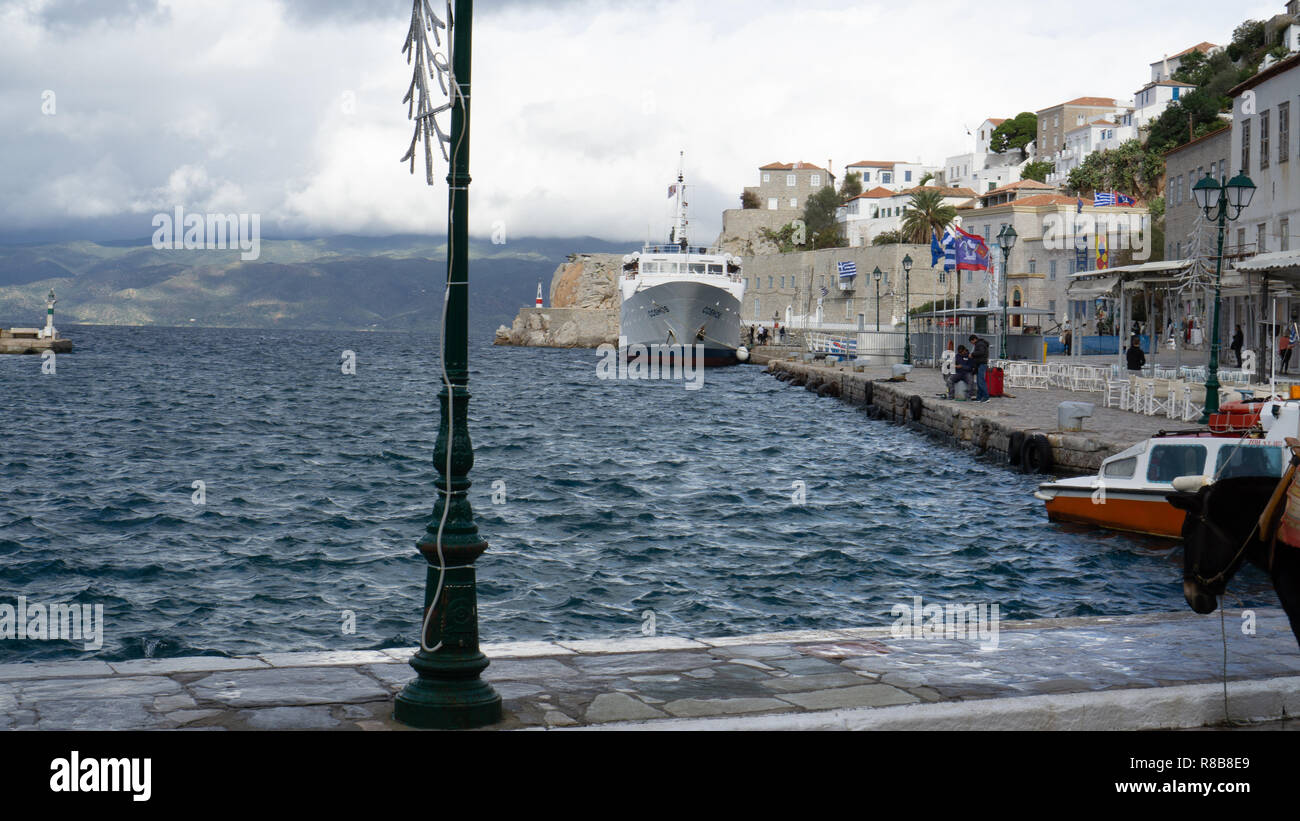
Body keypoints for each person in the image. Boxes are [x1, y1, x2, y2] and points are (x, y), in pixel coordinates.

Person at [968, 334, 990, 402]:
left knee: (981, 381)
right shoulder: (980, 343)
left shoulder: (980, 344)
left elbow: (981, 352)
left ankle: (986, 397)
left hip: (981, 364)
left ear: (974, 339)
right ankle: (979, 397)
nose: (972, 343)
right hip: (979, 364)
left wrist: (972, 354)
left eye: (971, 342)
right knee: (978, 382)